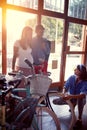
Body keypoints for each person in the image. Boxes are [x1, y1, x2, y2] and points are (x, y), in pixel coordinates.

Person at [12, 26, 34, 97]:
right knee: (21, 87)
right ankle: (20, 105)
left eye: (31, 34)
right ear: (24, 33)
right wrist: (13, 69)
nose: (30, 35)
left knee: (28, 87)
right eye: (29, 33)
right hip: (20, 68)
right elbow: (14, 56)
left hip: (29, 68)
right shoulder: (17, 42)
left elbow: (29, 54)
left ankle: (26, 104)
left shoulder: (30, 43)